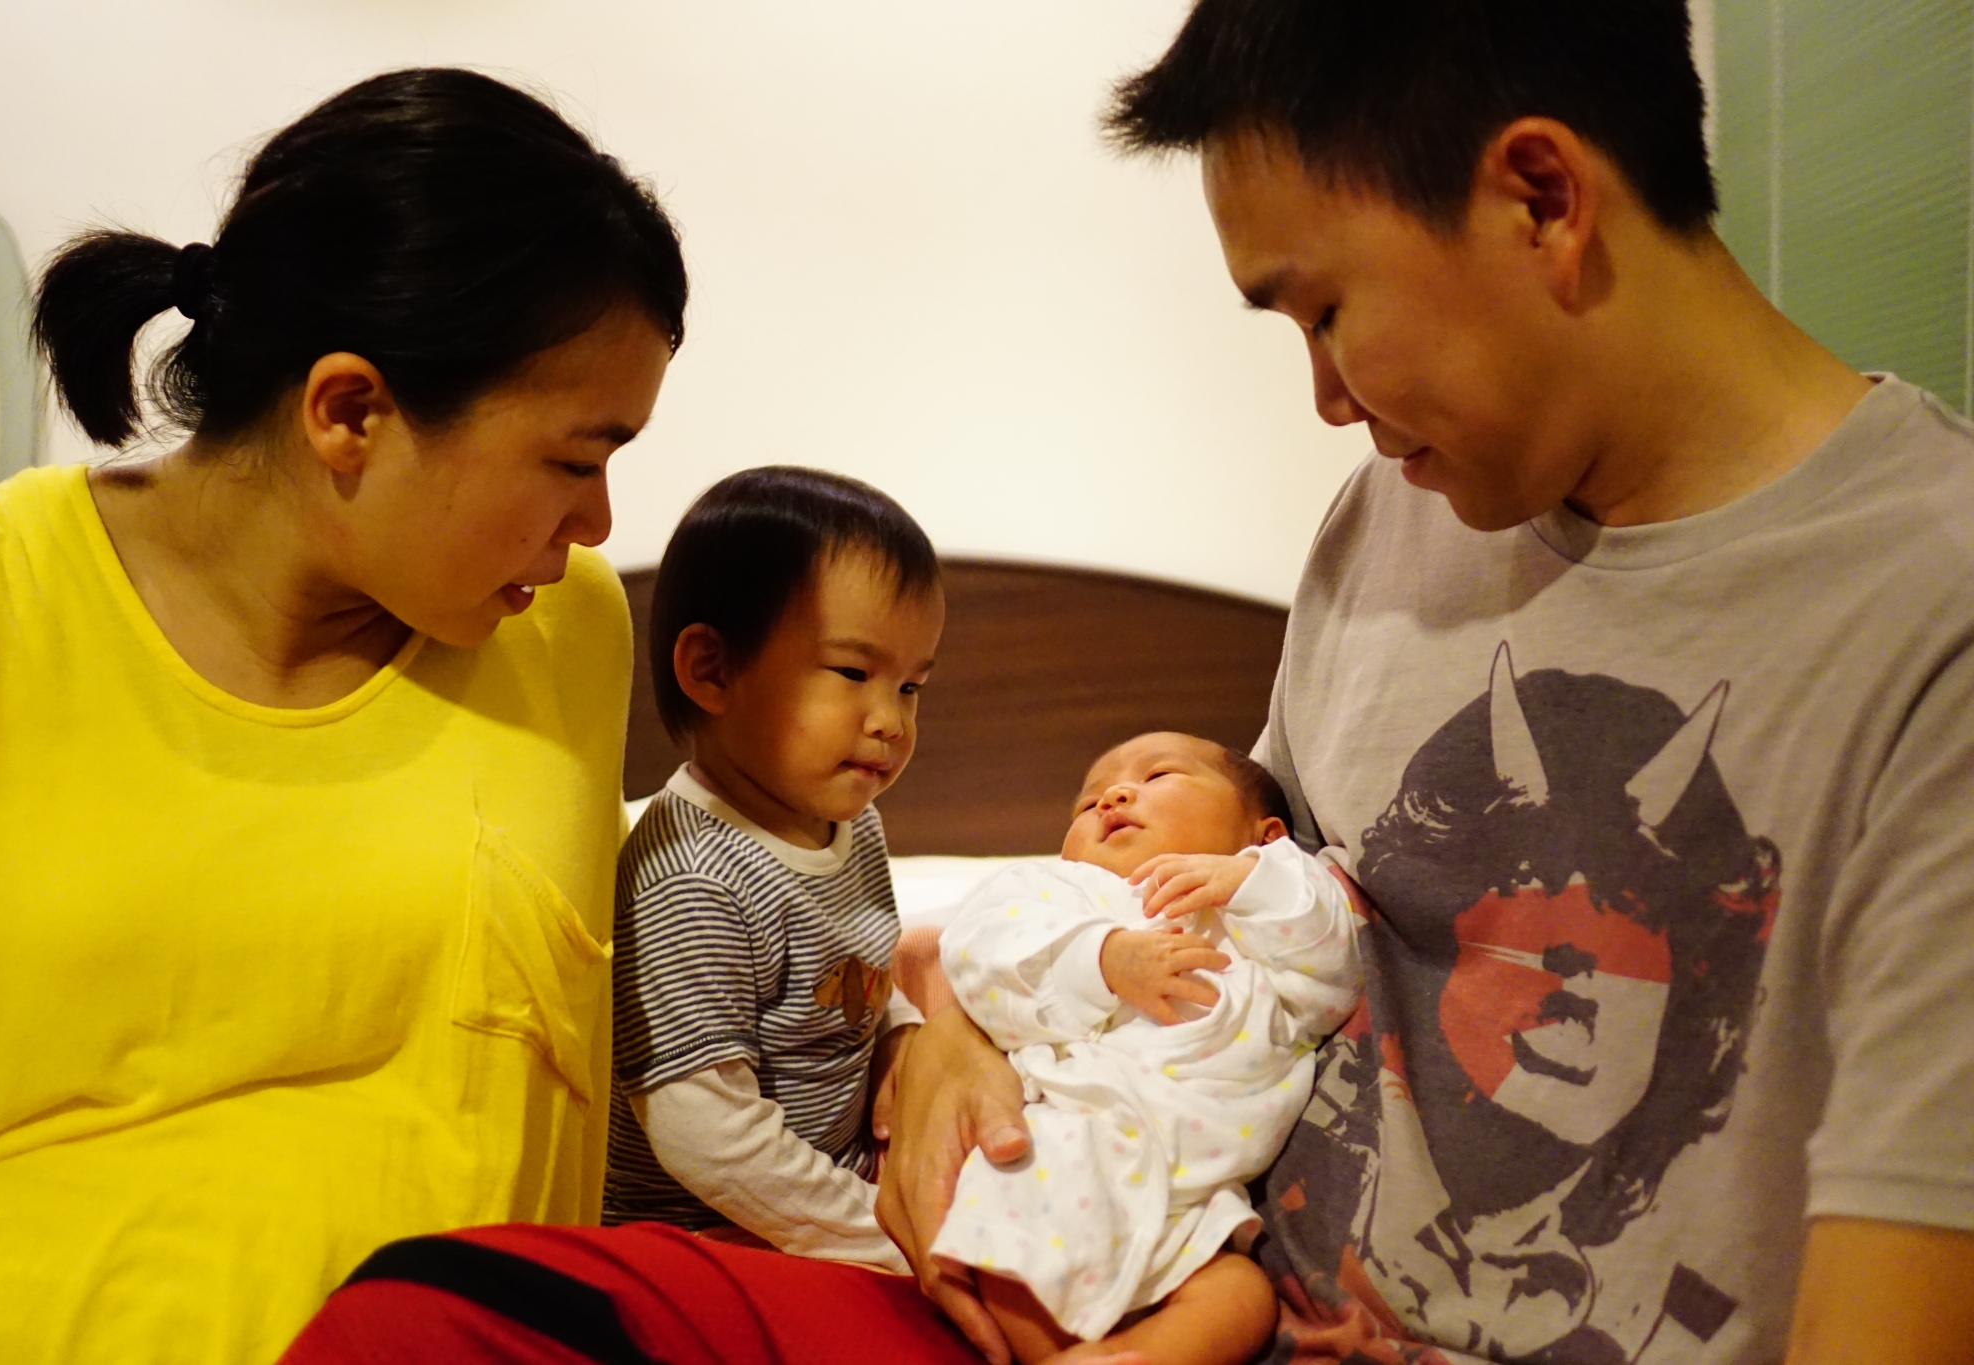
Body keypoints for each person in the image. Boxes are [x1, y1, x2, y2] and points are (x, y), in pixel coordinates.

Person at [880, 2, 1974, 1363]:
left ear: (1541, 199)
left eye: (1326, 312)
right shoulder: (1389, 522)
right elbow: (1213, 899)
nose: (1327, 400)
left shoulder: (1933, 621)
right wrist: (953, 1033)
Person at [0, 68, 686, 1365]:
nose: (599, 522)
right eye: (573, 458)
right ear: (349, 412)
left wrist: (932, 1028)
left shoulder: (567, 628)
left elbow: (727, 931)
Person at [930, 732, 1360, 1365]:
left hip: (1192, 1203)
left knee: (1243, 1299)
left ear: (1266, 836)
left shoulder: (1276, 905)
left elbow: (1334, 968)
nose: (1113, 798)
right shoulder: (1059, 891)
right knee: (1013, 1264)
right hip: (1063, 1153)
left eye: (1158, 776)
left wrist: (1251, 881)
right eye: (1088, 803)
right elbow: (982, 956)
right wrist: (1101, 959)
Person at [603, 466, 940, 1272]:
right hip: (705, 1233)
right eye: (853, 673)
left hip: (833, 1199)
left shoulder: (850, 821)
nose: (891, 720)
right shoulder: (692, 879)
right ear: (713, 670)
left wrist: (902, 1038)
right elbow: (707, 1134)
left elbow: (857, 974)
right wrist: (896, 1237)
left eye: (911, 686)